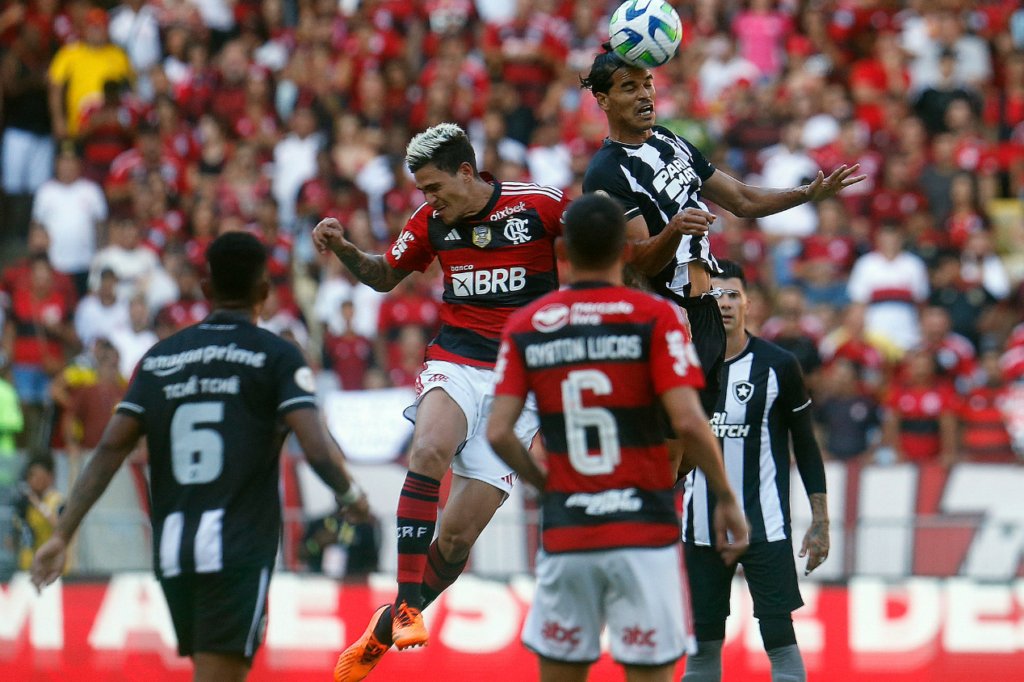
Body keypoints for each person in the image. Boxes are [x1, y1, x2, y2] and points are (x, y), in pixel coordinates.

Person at [31, 231, 369, 682]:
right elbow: (316, 447)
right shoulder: (276, 356)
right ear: (263, 291)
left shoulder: (159, 360)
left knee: (209, 670)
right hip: (235, 549)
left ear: (207, 289)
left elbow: (110, 449)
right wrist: (352, 496)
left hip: (174, 551)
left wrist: (62, 533)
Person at [314, 122, 566, 681]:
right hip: (457, 361)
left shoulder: (540, 205)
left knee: (455, 540)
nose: (429, 199)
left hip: (521, 384)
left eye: (435, 187)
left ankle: (385, 628)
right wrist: (346, 250)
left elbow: (601, 243)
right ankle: (407, 606)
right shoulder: (430, 221)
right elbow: (385, 275)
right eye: (422, 191)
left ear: (467, 172)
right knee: (428, 450)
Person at [486, 193, 749, 682]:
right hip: (643, 533)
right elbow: (690, 422)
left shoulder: (530, 324)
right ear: (627, 250)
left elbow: (499, 432)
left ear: (563, 250)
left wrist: (549, 485)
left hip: (569, 531)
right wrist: (727, 500)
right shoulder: (656, 317)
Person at [580, 47, 865, 417]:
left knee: (694, 440)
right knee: (675, 435)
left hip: (705, 312)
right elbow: (639, 262)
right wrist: (675, 229)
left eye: (647, 83)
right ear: (603, 100)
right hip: (667, 315)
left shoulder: (668, 140)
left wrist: (808, 193)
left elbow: (742, 200)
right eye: (629, 87)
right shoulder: (606, 172)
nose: (645, 95)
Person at [681, 260, 830, 682]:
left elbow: (805, 444)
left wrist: (820, 520)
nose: (725, 303)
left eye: (733, 294)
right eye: (715, 295)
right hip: (701, 529)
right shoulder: (684, 365)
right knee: (703, 648)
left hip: (766, 527)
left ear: (749, 303)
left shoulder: (779, 364)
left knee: (781, 640)